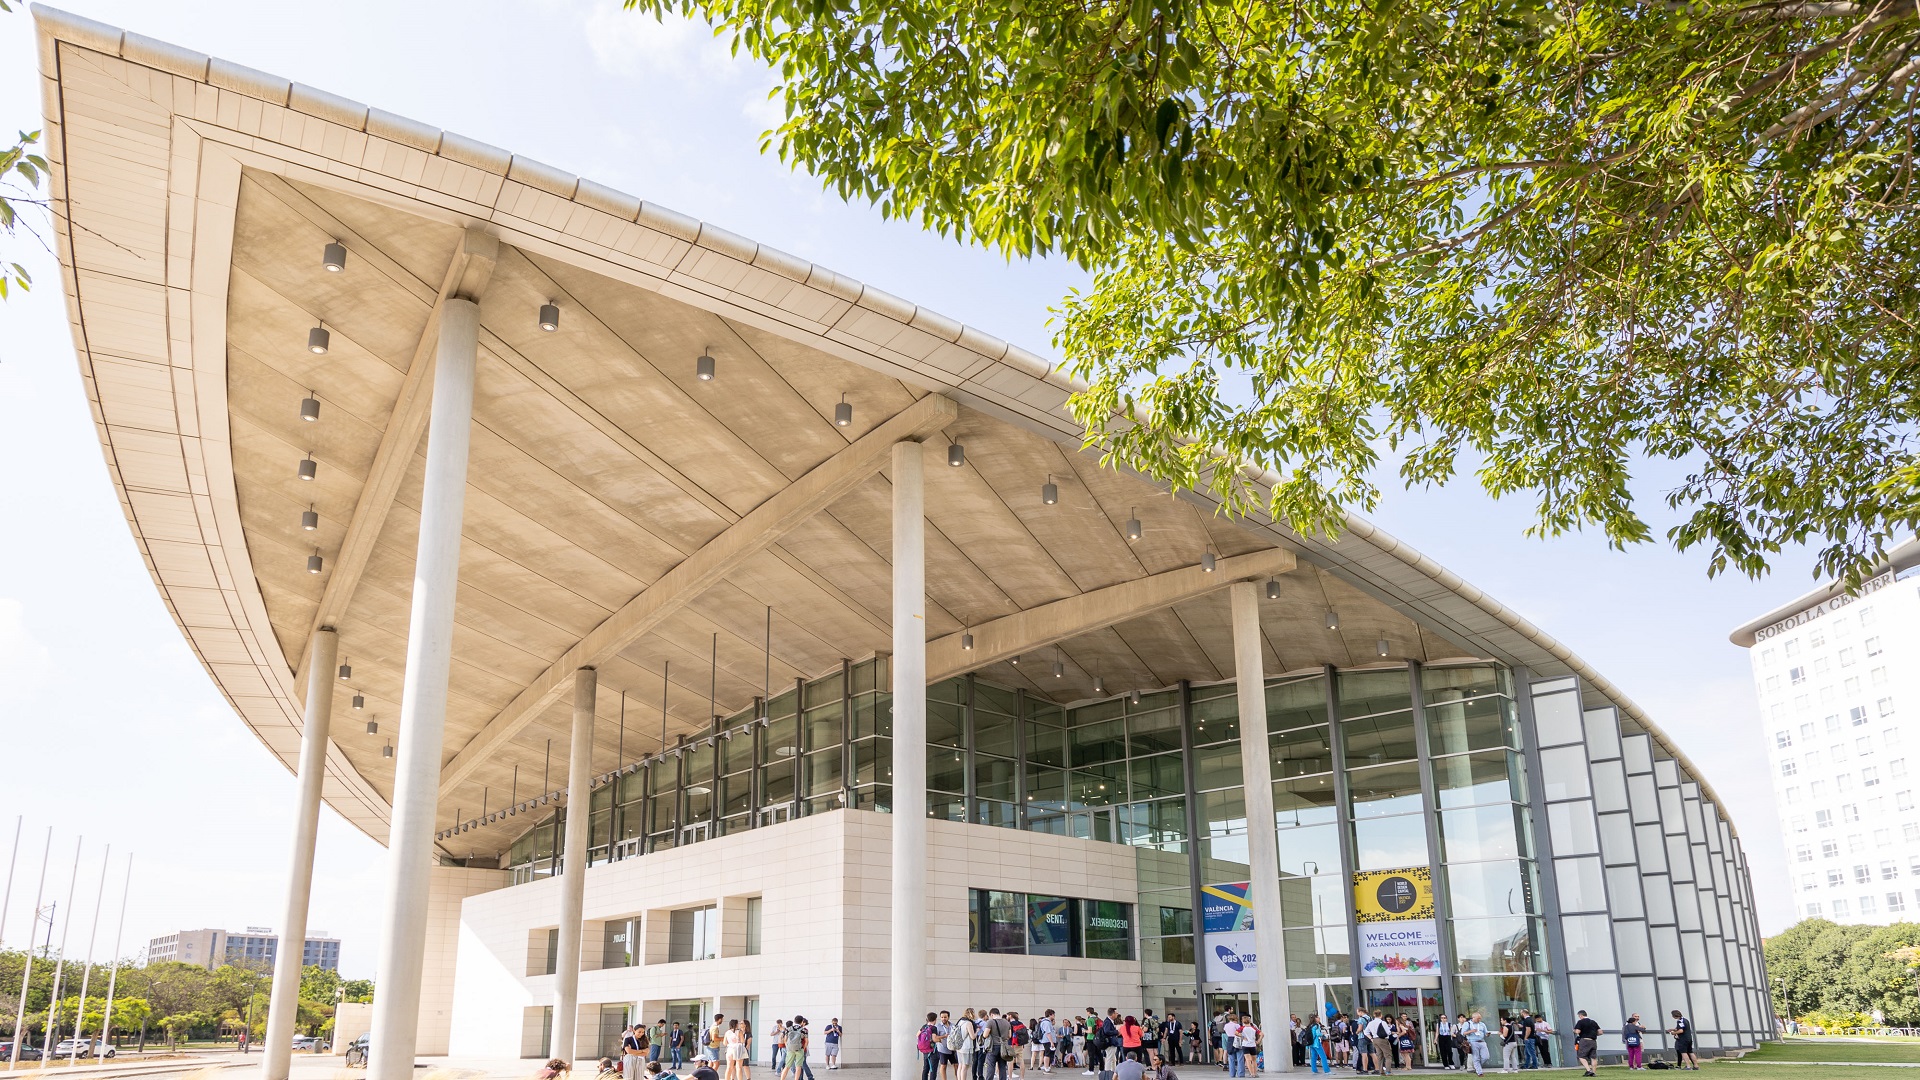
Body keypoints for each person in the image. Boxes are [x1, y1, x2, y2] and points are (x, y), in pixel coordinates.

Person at [1572, 1011, 1599, 1078]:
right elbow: (1600, 1032)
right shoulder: (1593, 1022)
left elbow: (1578, 1031)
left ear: (1581, 1015)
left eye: (1579, 1016)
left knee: (1581, 1056)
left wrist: (1574, 1031)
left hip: (1584, 1040)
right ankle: (1594, 1072)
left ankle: (1588, 1070)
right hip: (1593, 1041)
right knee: (1593, 1057)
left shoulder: (1580, 1022)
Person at [1461, 1012, 1488, 1078]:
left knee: (1486, 1057)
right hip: (1473, 1042)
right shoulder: (1467, 1024)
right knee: (1476, 1057)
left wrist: (1487, 1034)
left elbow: (1485, 1033)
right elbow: (1463, 1033)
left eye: (1480, 1018)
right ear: (1473, 1018)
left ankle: (1477, 1066)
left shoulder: (1482, 1024)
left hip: (1482, 1041)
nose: (1479, 1020)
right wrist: (1471, 1031)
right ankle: (1479, 1072)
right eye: (1478, 1018)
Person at [921, 1014, 943, 1080]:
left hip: (925, 1050)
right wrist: (939, 1040)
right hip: (932, 1051)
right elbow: (934, 1039)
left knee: (925, 1068)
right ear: (935, 1019)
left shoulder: (924, 1026)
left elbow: (917, 1035)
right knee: (933, 1069)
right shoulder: (934, 1028)